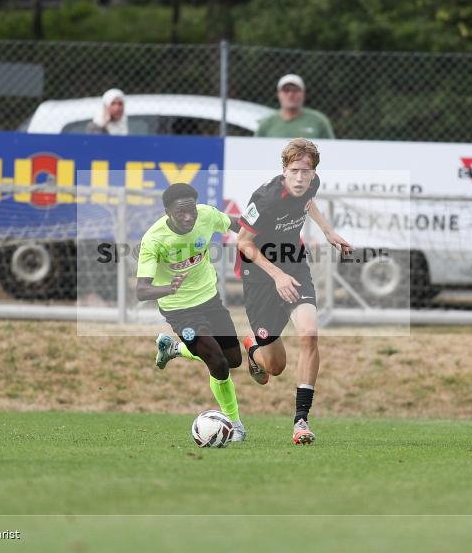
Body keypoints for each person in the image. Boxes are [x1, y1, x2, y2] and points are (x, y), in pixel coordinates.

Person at [236, 138, 352, 445]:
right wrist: (276, 275)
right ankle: (252, 348)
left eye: (306, 170)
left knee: (309, 333)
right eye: (294, 171)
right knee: (275, 366)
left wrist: (328, 231)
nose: (301, 178)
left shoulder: (311, 184)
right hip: (261, 276)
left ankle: (301, 420)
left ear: (313, 171)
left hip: (294, 265)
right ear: (284, 170)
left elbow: (308, 203)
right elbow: (242, 243)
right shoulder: (265, 198)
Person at [136, 183, 246, 442]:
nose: (188, 218)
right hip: (180, 310)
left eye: (191, 212)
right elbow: (141, 290)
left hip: (210, 298)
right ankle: (235, 423)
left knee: (233, 360)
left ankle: (175, 349)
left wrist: (263, 233)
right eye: (181, 213)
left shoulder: (206, 215)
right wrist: (168, 288)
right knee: (217, 361)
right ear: (167, 212)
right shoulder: (154, 239)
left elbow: (235, 224)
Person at [255, 74, 335, 139]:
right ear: (278, 94)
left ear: (303, 94)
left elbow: (331, 149)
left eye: (295, 90)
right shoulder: (266, 123)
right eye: (286, 90)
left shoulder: (319, 121)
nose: (291, 94)